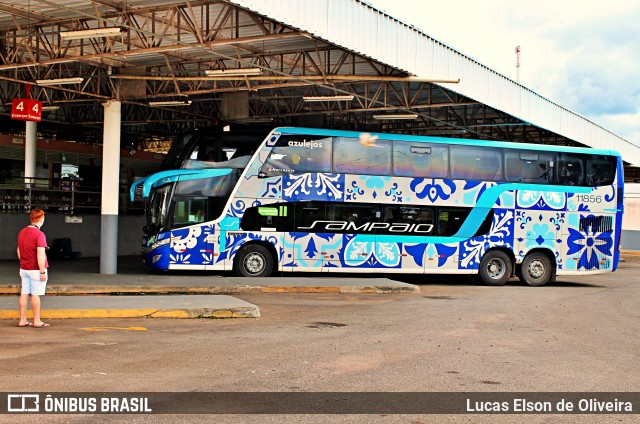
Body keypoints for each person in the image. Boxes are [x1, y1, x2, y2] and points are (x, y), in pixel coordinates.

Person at [16, 209, 50, 328]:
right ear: (41, 219)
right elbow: (40, 254)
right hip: (36, 269)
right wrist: (42, 271)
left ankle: (22, 320)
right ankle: (37, 321)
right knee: (35, 295)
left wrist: (24, 262)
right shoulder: (39, 234)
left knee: (24, 293)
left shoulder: (22, 232)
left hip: (24, 268)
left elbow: (19, 250)